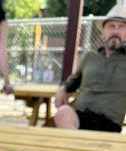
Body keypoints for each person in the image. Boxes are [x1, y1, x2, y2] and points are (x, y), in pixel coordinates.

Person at [54, 5, 126, 133]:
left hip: (109, 124)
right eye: (111, 26)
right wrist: (63, 88)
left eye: (121, 27)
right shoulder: (89, 57)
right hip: (80, 117)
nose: (116, 31)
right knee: (62, 112)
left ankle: (77, 148)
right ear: (103, 32)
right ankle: (79, 146)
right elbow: (73, 81)